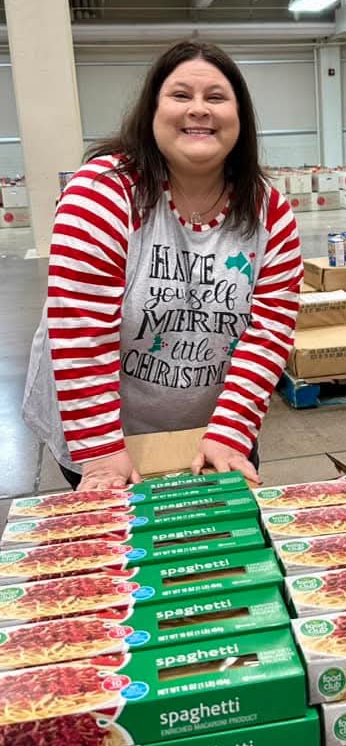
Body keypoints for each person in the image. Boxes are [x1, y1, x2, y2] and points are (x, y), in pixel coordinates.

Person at [23, 40, 302, 491]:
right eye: (180, 95)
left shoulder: (269, 211)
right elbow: (81, 335)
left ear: (241, 118)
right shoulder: (101, 193)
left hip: (213, 426)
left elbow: (268, 332)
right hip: (94, 423)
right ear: (152, 111)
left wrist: (232, 429)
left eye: (216, 97)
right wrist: (100, 453)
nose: (199, 109)